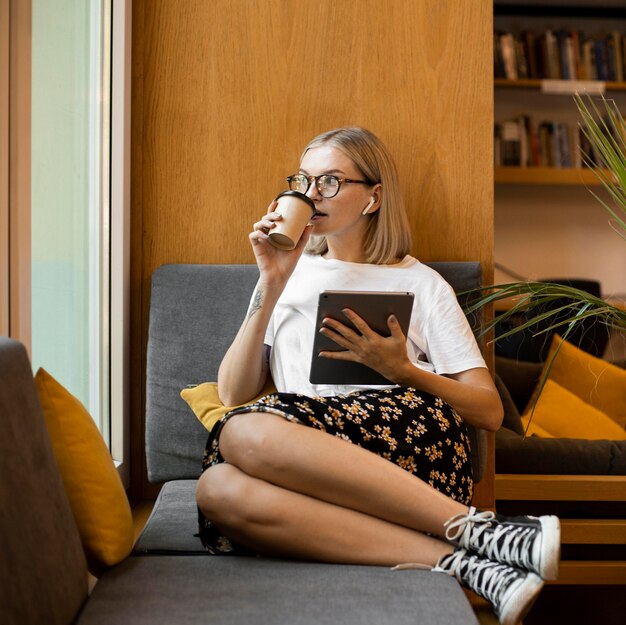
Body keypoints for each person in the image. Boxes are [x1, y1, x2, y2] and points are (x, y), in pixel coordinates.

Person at [195, 127, 560, 625]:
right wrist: (271, 281)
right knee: (216, 490)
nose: (310, 195)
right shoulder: (289, 275)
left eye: (328, 182)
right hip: (314, 451)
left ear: (373, 198)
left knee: (242, 430)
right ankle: (477, 561)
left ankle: (469, 525)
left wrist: (403, 370)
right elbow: (234, 391)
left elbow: (489, 413)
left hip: (410, 437)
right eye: (303, 181)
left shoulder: (423, 284)